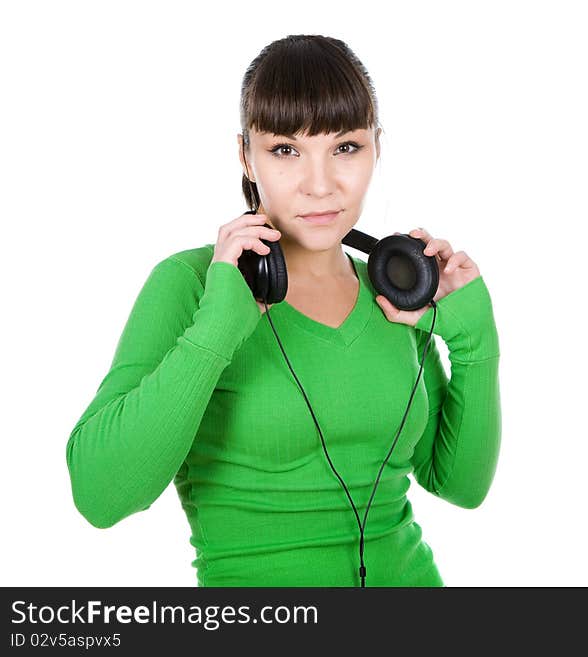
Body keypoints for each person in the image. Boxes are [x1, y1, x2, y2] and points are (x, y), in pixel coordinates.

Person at [65, 34, 501, 587]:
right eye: (285, 150)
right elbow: (99, 497)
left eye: (345, 147)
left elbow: (460, 485)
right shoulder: (191, 285)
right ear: (246, 156)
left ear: (377, 149)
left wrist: (475, 342)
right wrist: (215, 332)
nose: (320, 186)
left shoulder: (396, 294)